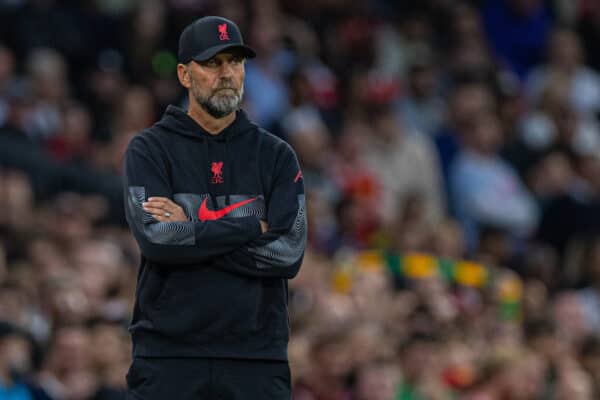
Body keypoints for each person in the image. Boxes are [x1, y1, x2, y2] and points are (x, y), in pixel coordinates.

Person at [123, 15, 307, 400]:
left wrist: (188, 227)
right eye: (212, 63)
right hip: (168, 355)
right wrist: (251, 228)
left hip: (256, 357)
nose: (227, 73)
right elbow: (157, 241)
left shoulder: (276, 156)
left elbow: (288, 252)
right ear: (184, 75)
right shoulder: (149, 150)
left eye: (235, 62)